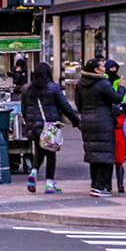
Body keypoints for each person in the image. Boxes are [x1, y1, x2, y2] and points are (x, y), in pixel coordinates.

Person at [21, 61, 80, 194]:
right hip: (50, 126)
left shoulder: (27, 89)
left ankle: (33, 173)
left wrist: (29, 123)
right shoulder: (53, 88)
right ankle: (49, 184)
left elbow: (24, 109)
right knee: (51, 153)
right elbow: (65, 106)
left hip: (34, 127)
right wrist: (76, 121)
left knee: (39, 150)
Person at [77, 57, 126, 196]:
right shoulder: (103, 83)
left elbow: (78, 104)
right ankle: (102, 187)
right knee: (105, 154)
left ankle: (95, 185)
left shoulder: (81, 84)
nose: (105, 68)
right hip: (103, 121)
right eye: (102, 66)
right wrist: (122, 87)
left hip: (88, 122)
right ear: (96, 69)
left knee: (94, 154)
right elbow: (116, 98)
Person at [108, 60, 126, 192]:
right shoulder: (105, 81)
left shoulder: (118, 82)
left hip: (118, 115)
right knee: (114, 159)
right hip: (111, 118)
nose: (113, 69)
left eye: (115, 67)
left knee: (118, 160)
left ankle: (119, 185)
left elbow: (121, 98)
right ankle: (111, 185)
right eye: (111, 67)